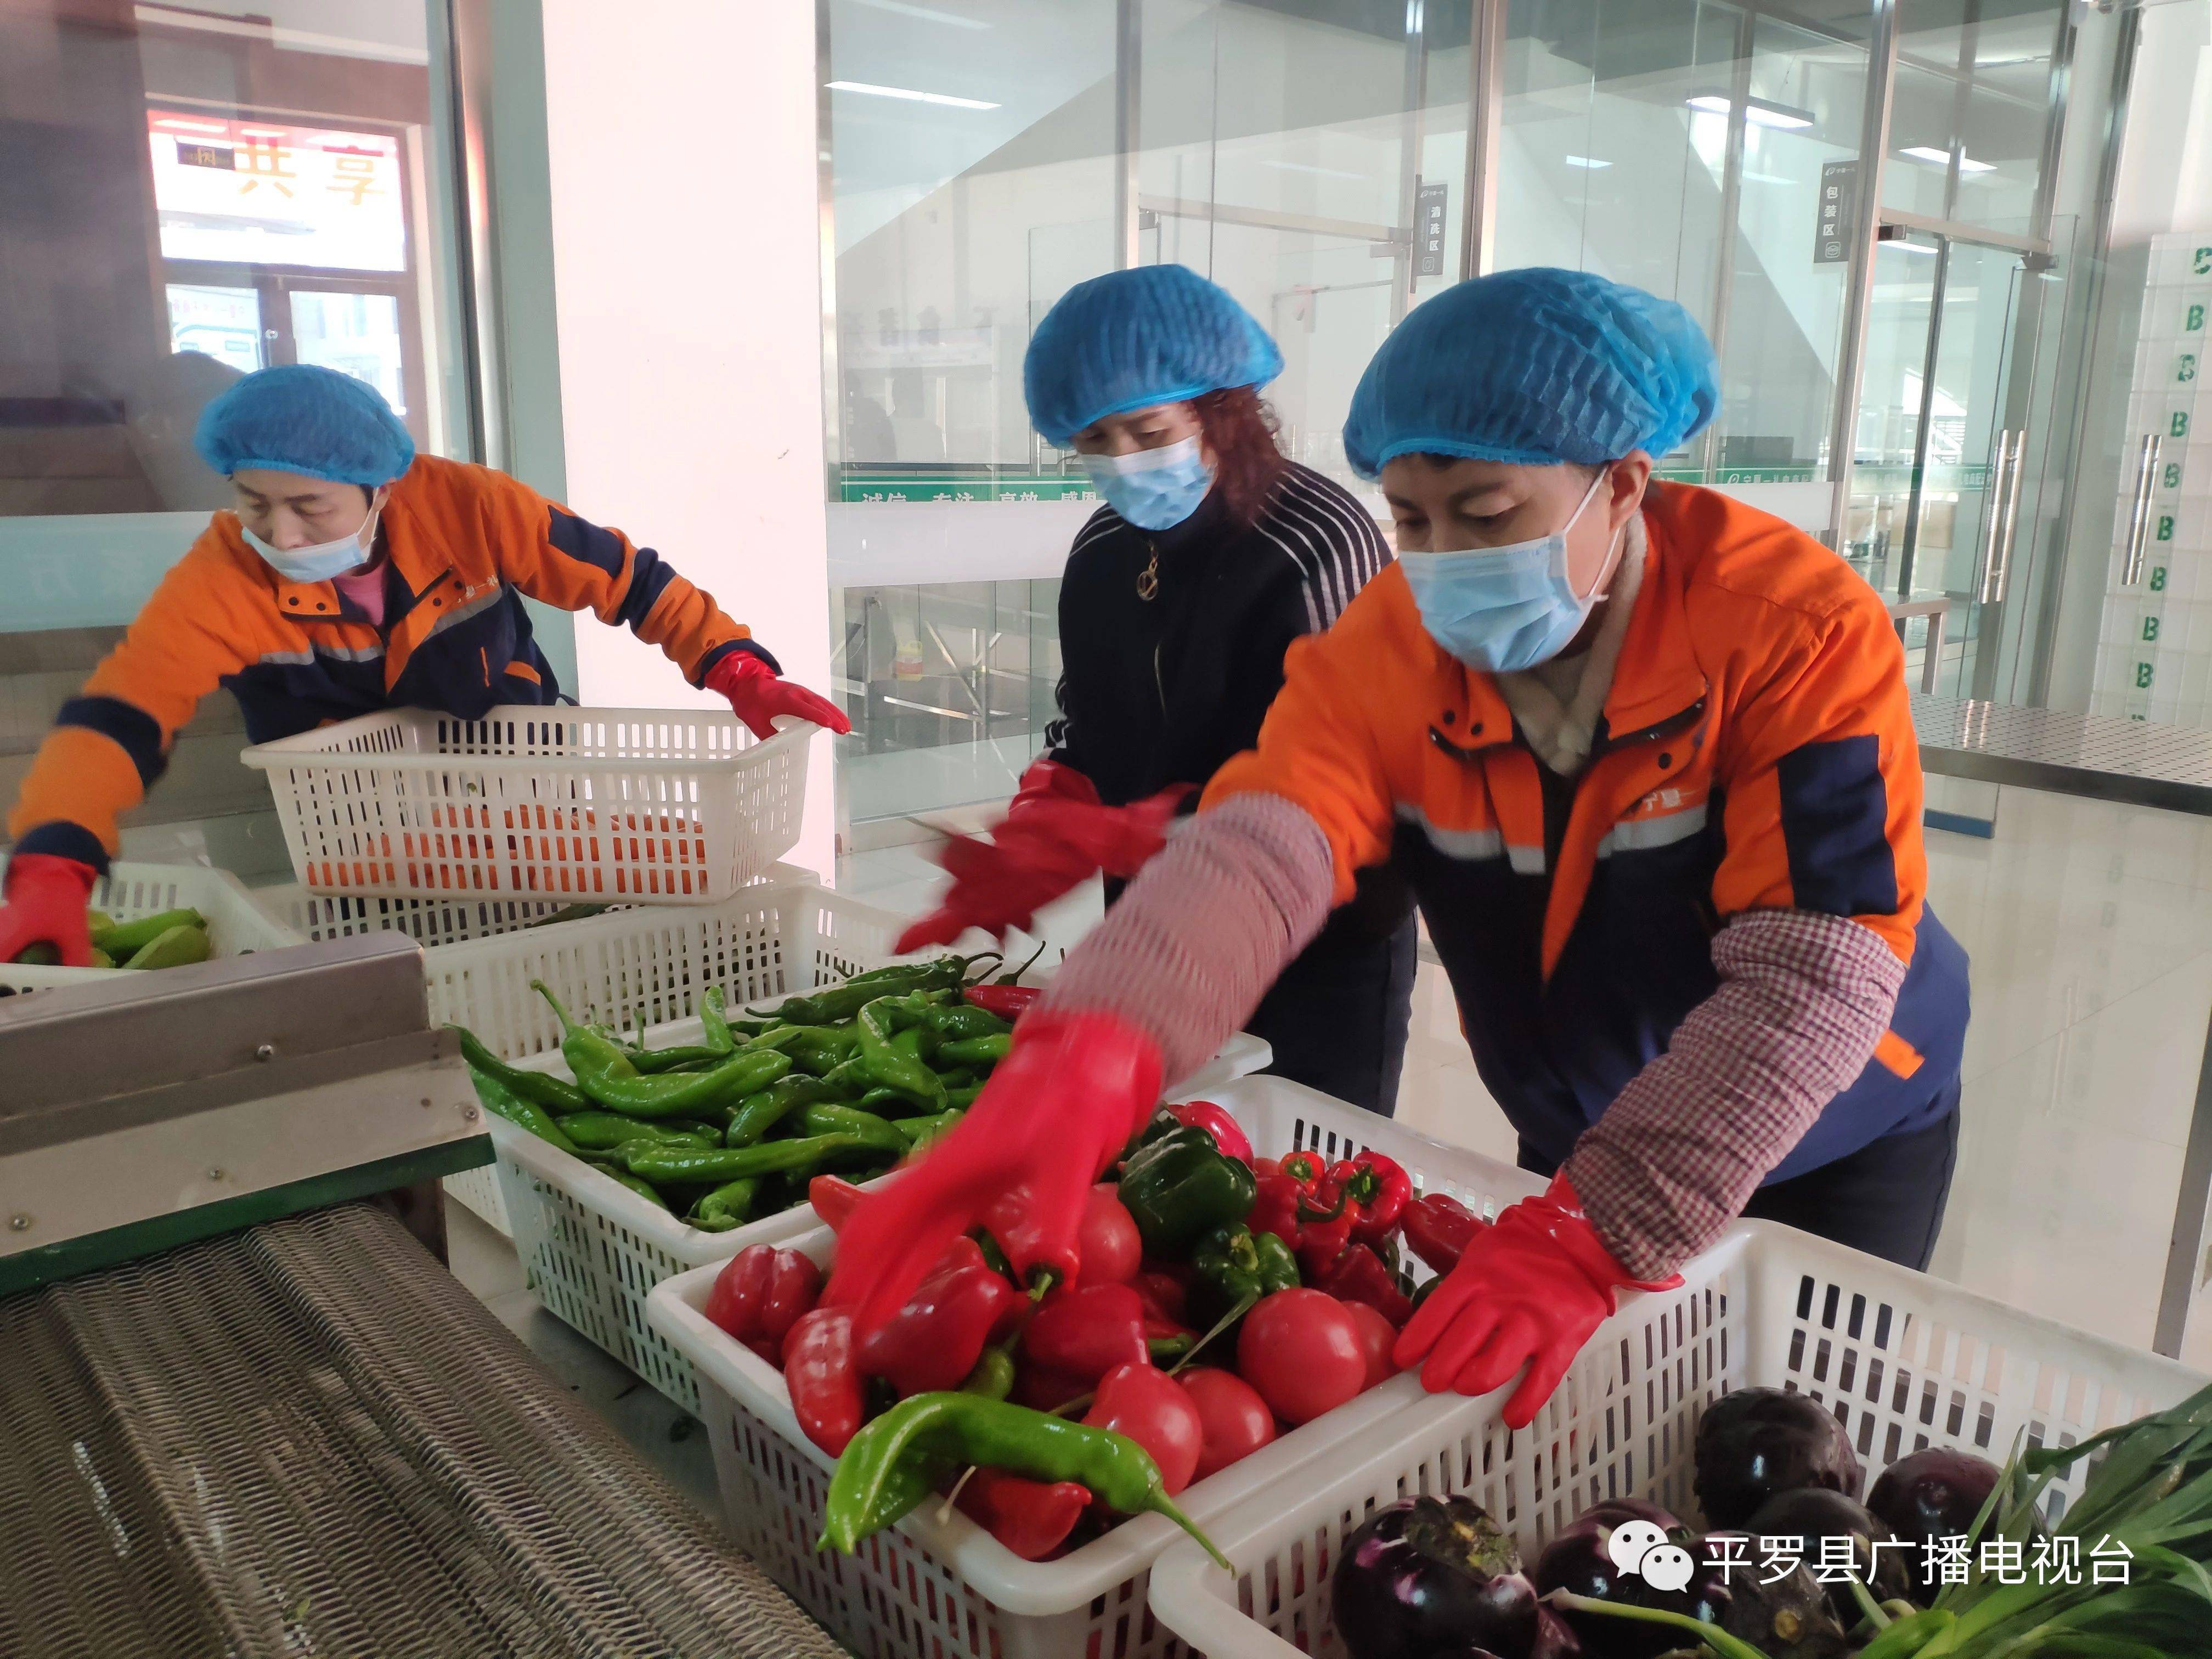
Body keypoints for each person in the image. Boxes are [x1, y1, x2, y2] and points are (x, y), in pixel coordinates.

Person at [830, 268, 1970, 1429]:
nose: (1441, 561)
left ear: (1622, 483)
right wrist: (1097, 1049)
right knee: (1614, 1424)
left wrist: (1603, 1226)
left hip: (1840, 1126)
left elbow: (1819, 971)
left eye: (1486, 516)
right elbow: (1263, 847)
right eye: (1411, 520)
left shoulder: (1794, 627)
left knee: (1811, 1435)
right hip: (1578, 1103)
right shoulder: (1393, 640)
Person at [0, 363, 848, 965]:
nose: (280, 535)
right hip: (360, 830)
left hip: (521, 778)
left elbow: (630, 582)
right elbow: (122, 711)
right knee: (411, 961)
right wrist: (52, 861)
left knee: (562, 929)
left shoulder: (473, 508)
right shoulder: (227, 573)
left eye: (309, 507)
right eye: (254, 503)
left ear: (381, 486)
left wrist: (735, 667)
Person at [895, 263, 1416, 1112]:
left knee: (1298, 1162)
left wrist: (1126, 834)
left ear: (1223, 409)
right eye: (1093, 443)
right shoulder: (1104, 547)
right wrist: (1050, 812)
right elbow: (1085, 721)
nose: (1122, 465)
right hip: (1151, 927)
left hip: (1313, 940)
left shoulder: (1316, 540)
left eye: (1146, 430)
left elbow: (1351, 782)